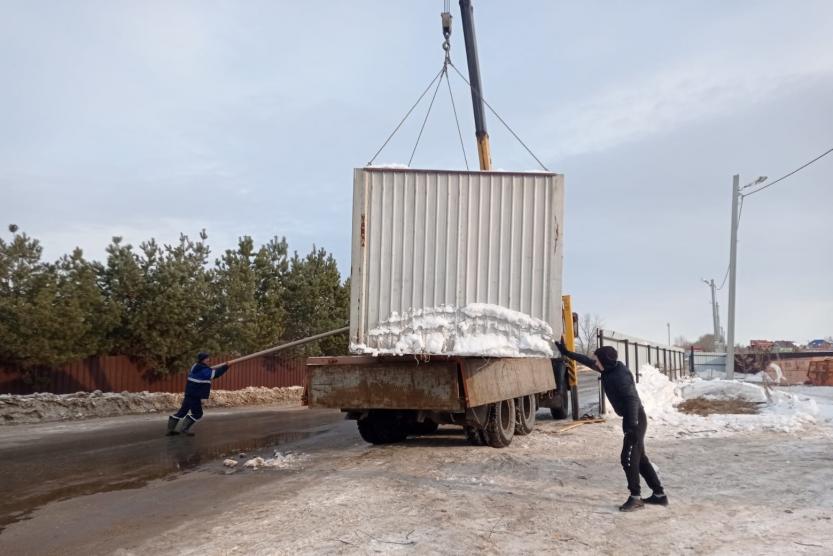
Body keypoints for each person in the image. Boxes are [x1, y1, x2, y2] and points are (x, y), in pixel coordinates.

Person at [554, 339, 668, 512]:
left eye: (597, 359)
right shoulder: (608, 368)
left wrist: (631, 429)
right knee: (640, 458)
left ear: (604, 361)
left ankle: (635, 498)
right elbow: (586, 360)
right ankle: (659, 495)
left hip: (635, 419)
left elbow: (631, 400)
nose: (595, 362)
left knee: (628, 458)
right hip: (633, 419)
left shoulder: (619, 376)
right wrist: (567, 353)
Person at [166, 352, 231, 437]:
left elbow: (210, 373)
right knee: (197, 413)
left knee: (182, 412)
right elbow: (215, 374)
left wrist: (221, 367)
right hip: (194, 395)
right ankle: (184, 429)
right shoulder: (203, 370)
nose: (209, 360)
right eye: (207, 358)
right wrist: (226, 367)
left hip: (190, 393)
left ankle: (171, 430)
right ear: (202, 360)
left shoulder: (196, 366)